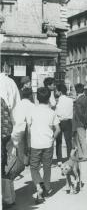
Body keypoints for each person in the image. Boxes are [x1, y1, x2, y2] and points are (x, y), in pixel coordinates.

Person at [27, 87, 60, 203]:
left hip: (35, 143)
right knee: (47, 167)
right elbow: (58, 129)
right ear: (48, 99)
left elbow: (29, 129)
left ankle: (39, 186)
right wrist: (52, 138)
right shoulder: (52, 112)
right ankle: (47, 187)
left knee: (34, 167)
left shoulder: (32, 111)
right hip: (48, 144)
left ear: (37, 98)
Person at [0, 69, 23, 207]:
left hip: (4, 133)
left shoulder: (8, 82)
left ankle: (7, 198)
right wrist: (14, 140)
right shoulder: (8, 82)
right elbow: (17, 115)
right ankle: (7, 198)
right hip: (5, 134)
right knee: (6, 166)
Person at [55, 84, 74, 165]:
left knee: (58, 141)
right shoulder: (70, 100)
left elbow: (57, 112)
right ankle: (69, 158)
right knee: (68, 141)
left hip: (60, 121)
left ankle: (59, 159)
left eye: (56, 91)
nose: (56, 92)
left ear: (60, 92)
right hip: (68, 121)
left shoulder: (58, 100)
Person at [72, 84, 87, 161]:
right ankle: (81, 154)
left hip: (79, 122)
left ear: (76, 91)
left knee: (81, 139)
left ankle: (85, 156)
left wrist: (83, 122)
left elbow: (79, 114)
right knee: (80, 139)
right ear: (83, 90)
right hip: (85, 122)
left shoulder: (78, 101)